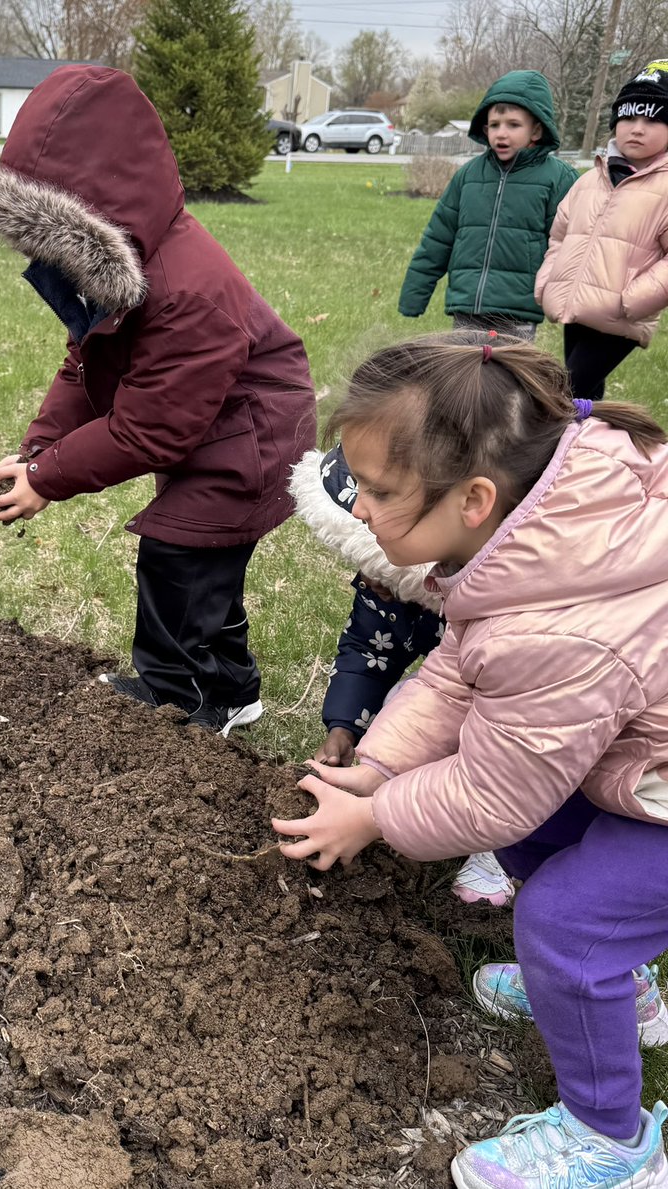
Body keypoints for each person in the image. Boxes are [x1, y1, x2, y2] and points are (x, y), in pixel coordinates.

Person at [274, 331, 668, 1188]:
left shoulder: (560, 630)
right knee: (549, 838)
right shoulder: (537, 543)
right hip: (644, 757)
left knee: (564, 924)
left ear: (476, 497)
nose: (362, 510)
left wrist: (374, 816)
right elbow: (455, 673)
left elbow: (493, 796)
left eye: (380, 492)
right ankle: (621, 991)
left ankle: (613, 1141)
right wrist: (378, 766)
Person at [0, 65, 317, 733]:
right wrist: (38, 450)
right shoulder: (122, 273)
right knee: (205, 565)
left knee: (179, 557)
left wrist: (46, 480)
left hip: (256, 437)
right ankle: (235, 689)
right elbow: (83, 368)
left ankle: (179, 701)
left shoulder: (187, 291)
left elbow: (150, 430)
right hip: (217, 426)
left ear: (97, 215)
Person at [288, 443, 515, 907]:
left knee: (486, 738)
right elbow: (367, 651)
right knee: (401, 700)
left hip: (526, 733)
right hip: (452, 692)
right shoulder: (385, 590)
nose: (372, 583)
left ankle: (502, 855)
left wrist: (377, 815)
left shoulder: (498, 613)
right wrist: (343, 728)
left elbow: (514, 739)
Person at [399, 70, 577, 342]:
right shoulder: (469, 175)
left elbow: (569, 243)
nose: (501, 134)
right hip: (468, 305)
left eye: (513, 125)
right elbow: (439, 236)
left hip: (518, 308)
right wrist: (415, 293)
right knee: (466, 376)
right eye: (494, 125)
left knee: (508, 378)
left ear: (537, 130)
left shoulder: (558, 178)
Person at [536, 59, 668, 401]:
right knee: (584, 401)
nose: (636, 128)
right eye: (628, 117)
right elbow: (560, 235)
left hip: (618, 318)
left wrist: (633, 299)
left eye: (653, 119)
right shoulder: (591, 179)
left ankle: (550, 452)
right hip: (576, 307)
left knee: (561, 396)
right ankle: (587, 450)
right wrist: (549, 280)